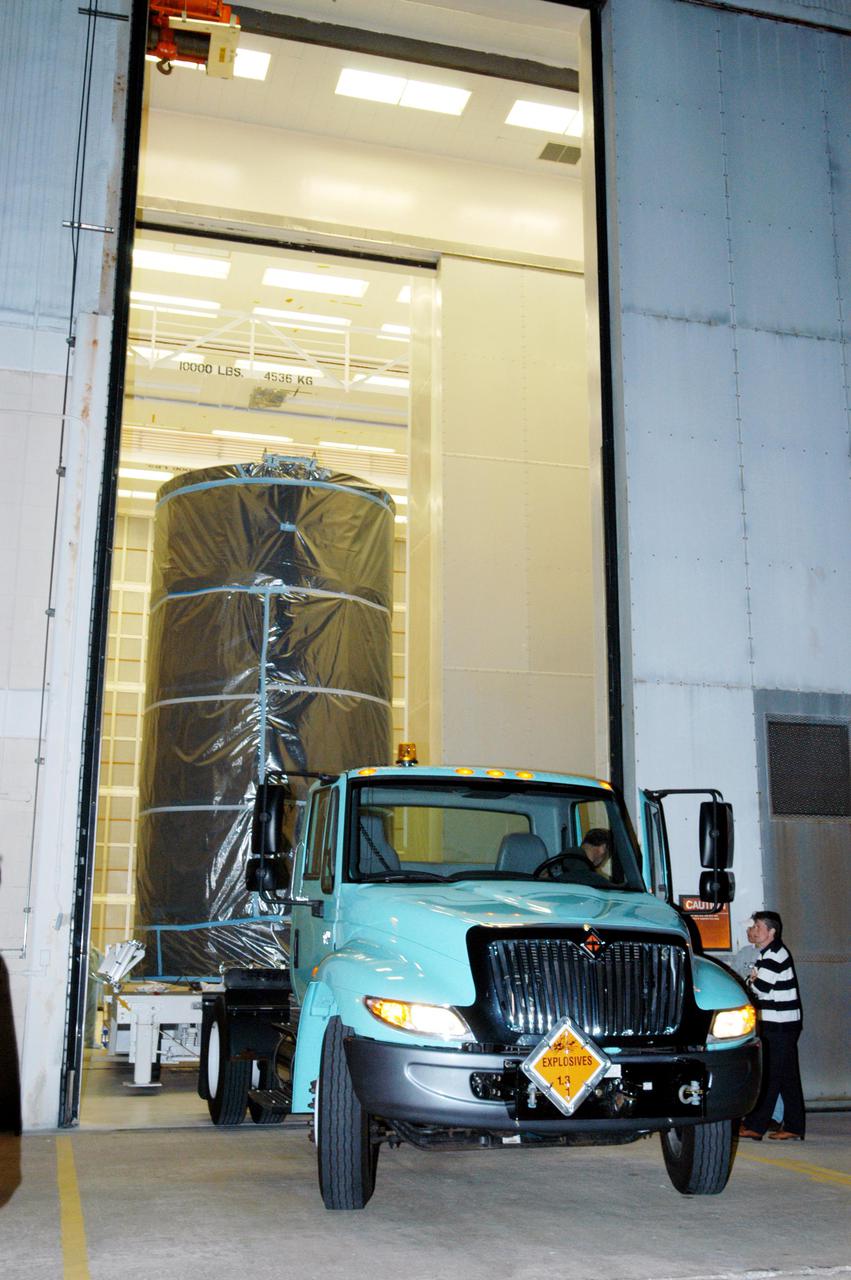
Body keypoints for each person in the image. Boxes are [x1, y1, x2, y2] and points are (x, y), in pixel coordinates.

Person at [739, 911, 805, 1142]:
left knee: (770, 1075)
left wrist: (752, 981)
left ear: (771, 931)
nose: (753, 930)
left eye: (757, 926)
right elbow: (754, 983)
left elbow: (758, 989)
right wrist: (752, 980)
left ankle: (757, 1125)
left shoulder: (774, 955)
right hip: (782, 1024)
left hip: (778, 1025)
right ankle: (795, 1126)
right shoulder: (769, 953)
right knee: (787, 1077)